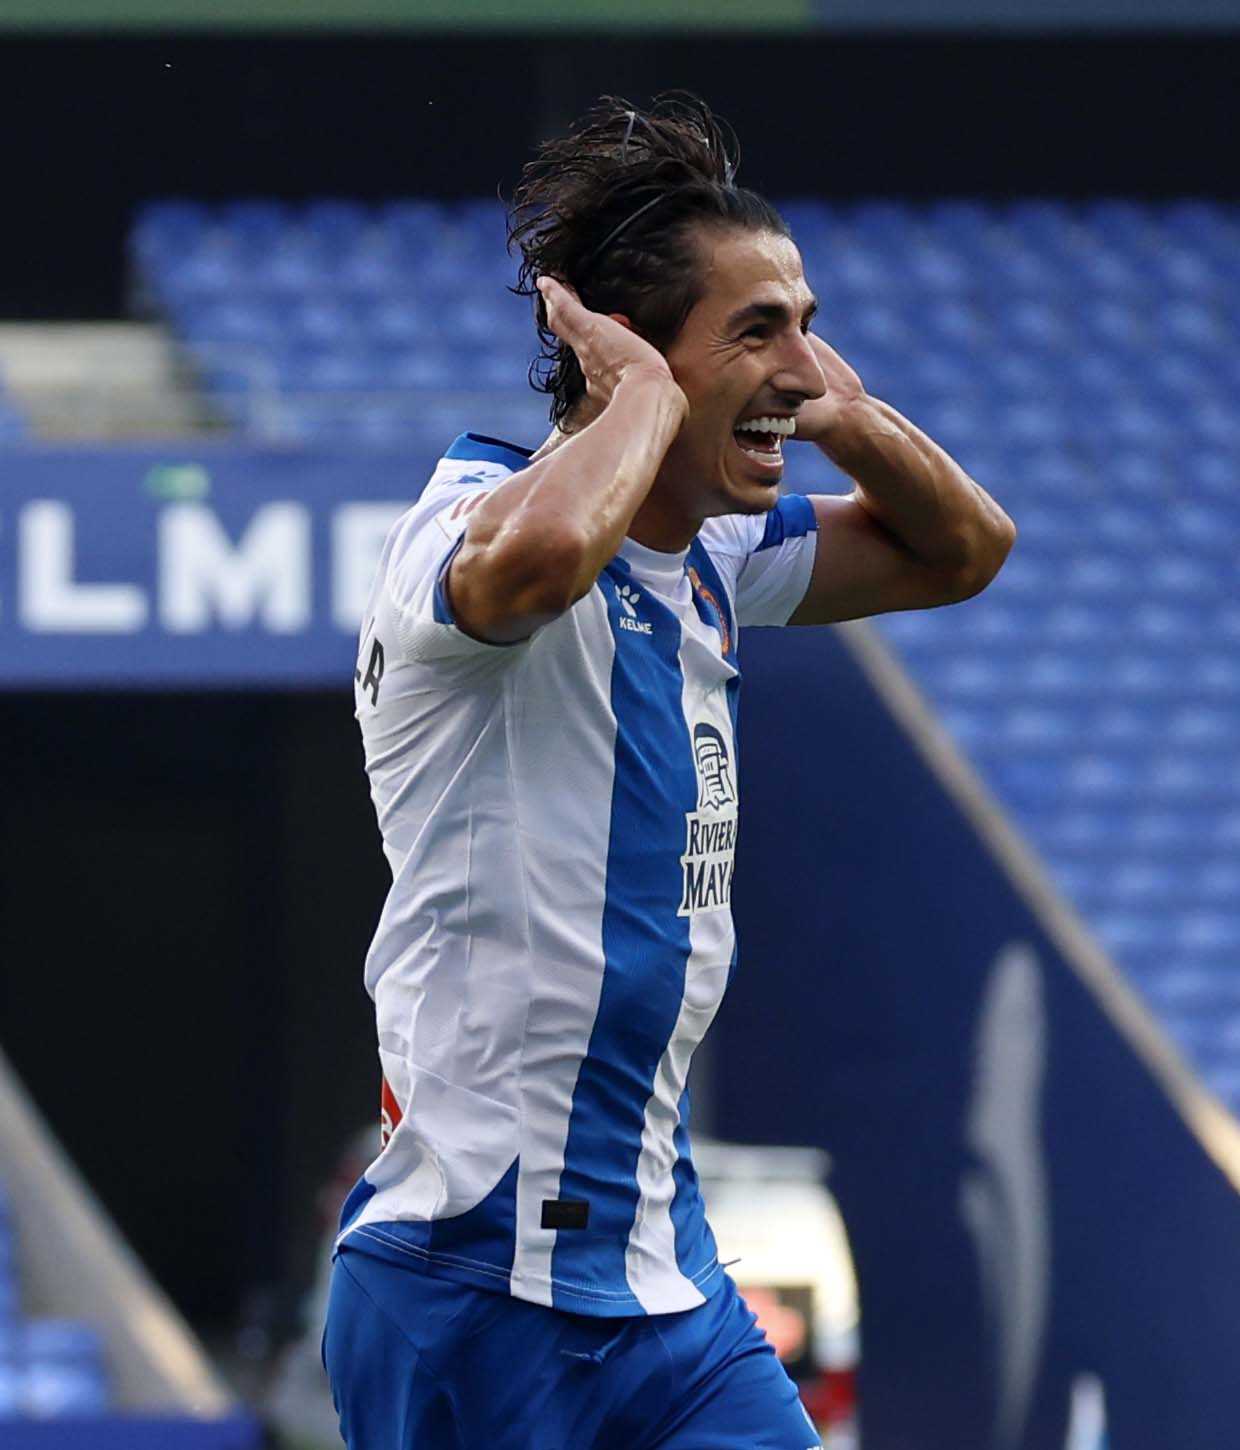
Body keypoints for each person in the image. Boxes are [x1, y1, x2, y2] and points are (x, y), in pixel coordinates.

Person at [323, 94, 1015, 1449]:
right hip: (471, 1286)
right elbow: (538, 564)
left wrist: (847, 413)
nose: (797, 366)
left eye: (805, 322)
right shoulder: (458, 529)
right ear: (632, 351)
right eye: (757, 330)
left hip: (666, 1284)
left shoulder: (715, 559)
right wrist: (639, 396)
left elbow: (962, 551)